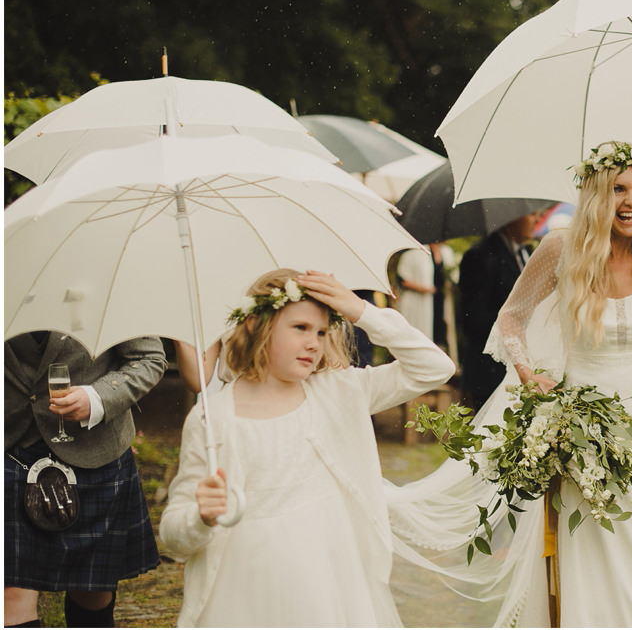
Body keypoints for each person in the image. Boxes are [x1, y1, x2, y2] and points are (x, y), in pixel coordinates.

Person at [388, 142, 632, 627]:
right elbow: (511, 319)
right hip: (585, 439)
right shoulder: (561, 248)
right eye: (618, 188)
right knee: (590, 572)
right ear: (597, 195)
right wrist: (529, 372)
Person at [159, 267, 452, 627]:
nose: (314, 343)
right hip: (243, 591)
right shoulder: (212, 418)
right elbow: (174, 536)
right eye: (299, 328)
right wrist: (200, 518)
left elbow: (434, 368)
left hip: (327, 583)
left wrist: (361, 311)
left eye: (320, 331)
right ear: (255, 324)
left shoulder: (339, 391)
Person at [5, 330, 166, 630]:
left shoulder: (105, 283)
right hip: (10, 450)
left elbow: (148, 358)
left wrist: (98, 398)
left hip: (94, 453)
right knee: (10, 593)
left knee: (91, 591)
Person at [457, 212, 543, 410]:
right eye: (531, 214)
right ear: (511, 216)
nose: (537, 220)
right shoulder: (480, 255)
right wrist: (518, 321)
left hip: (526, 364)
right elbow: (473, 319)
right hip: (490, 369)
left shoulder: (529, 253)